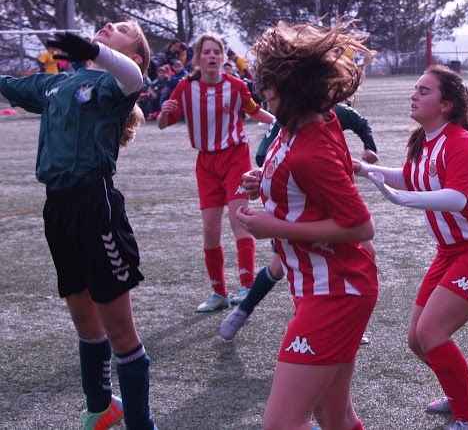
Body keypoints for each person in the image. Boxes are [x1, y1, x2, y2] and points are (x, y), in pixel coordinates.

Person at [0, 24, 158, 430]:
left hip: (95, 208)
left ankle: (142, 425)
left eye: (121, 29)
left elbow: (133, 78)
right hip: (57, 210)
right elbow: (8, 85)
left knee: (120, 331)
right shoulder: (57, 85)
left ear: (133, 55)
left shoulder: (113, 85)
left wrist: (94, 50)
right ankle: (101, 408)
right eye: (107, 24)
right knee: (86, 323)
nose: (109, 26)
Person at [354, 64, 468, 430]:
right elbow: (411, 178)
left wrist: (397, 198)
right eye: (416, 88)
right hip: (451, 251)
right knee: (417, 340)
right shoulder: (424, 140)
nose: (414, 95)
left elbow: (457, 199)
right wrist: (365, 171)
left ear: (446, 105)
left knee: (431, 334)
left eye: (424, 91)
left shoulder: (460, 142)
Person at [234, 20, 377, 430]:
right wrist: (264, 182)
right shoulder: (296, 127)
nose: (262, 92)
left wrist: (272, 226)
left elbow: (360, 227)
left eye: (266, 84)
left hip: (336, 291)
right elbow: (306, 185)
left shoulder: (308, 147)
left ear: (283, 90)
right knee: (334, 416)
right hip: (322, 287)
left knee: (280, 424)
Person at [220, 101, 380, 341]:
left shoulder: (327, 119)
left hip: (326, 216)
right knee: (282, 265)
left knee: (357, 253)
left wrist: (369, 149)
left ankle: (250, 311)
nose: (267, 95)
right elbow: (267, 159)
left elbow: (361, 227)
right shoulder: (287, 122)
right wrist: (263, 178)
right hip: (303, 210)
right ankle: (245, 310)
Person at [157, 33, 275, 312]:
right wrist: (163, 113)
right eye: (206, 52)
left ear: (223, 58)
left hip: (235, 157)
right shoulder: (184, 87)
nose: (211, 56)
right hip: (206, 164)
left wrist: (282, 121)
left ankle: (246, 286)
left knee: (238, 219)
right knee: (210, 229)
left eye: (216, 52)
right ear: (197, 58)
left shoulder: (235, 86)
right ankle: (218, 293)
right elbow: (164, 123)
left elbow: (253, 111)